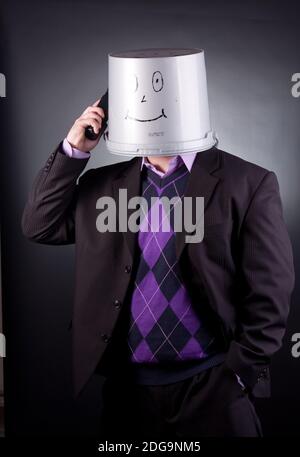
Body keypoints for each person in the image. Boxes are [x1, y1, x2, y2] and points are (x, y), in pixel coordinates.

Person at [22, 97, 295, 438]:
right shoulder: (100, 185)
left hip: (214, 387)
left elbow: (271, 288)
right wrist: (74, 150)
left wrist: (240, 373)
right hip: (128, 395)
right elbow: (39, 225)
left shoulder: (248, 182)